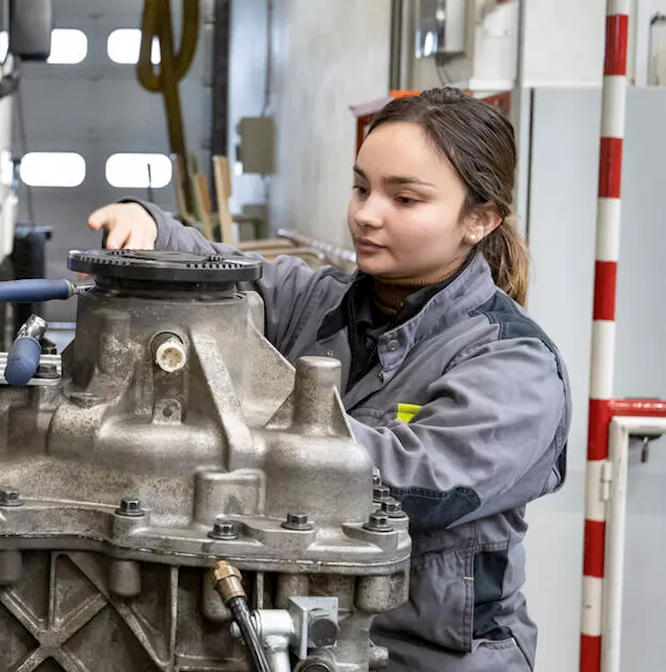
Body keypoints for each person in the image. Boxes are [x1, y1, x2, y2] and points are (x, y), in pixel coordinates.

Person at [87, 88, 569, 671]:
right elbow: (221, 272)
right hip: (303, 641)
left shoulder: (515, 366)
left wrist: (233, 427)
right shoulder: (317, 302)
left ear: (479, 219)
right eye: (362, 187)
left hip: (432, 659)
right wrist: (152, 226)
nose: (367, 213)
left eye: (405, 198)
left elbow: (412, 483)